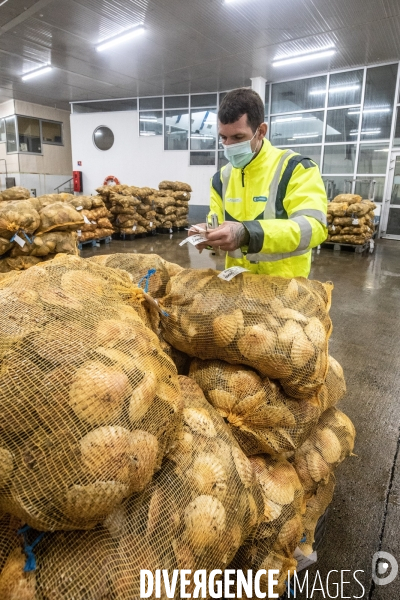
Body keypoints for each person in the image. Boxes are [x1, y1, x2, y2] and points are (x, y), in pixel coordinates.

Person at [190, 88, 328, 278]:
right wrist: (206, 235)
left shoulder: (294, 169)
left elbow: (314, 228)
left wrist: (248, 233)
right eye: (223, 137)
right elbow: (217, 224)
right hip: (238, 284)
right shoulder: (221, 178)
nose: (229, 145)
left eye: (238, 137)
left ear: (261, 131)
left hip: (283, 288)